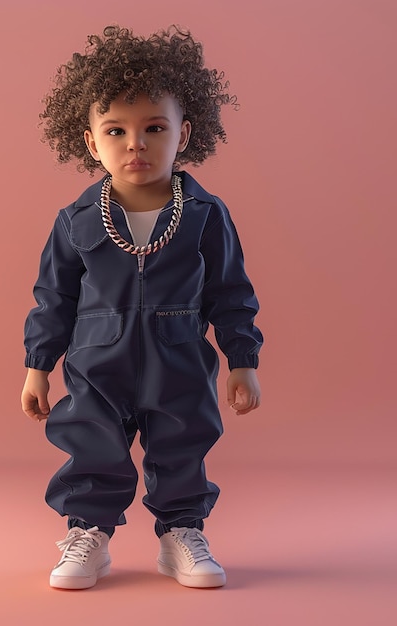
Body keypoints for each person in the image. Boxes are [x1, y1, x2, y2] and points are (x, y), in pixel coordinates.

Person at [21, 24, 263, 590]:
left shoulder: (203, 213)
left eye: (155, 127)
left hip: (178, 354)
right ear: (89, 141)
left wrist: (242, 360)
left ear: (185, 132)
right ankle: (89, 534)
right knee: (91, 443)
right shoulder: (77, 220)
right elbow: (53, 296)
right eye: (117, 130)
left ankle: (182, 533)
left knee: (182, 441)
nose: (136, 143)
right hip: (95, 359)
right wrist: (37, 366)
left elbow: (230, 290)